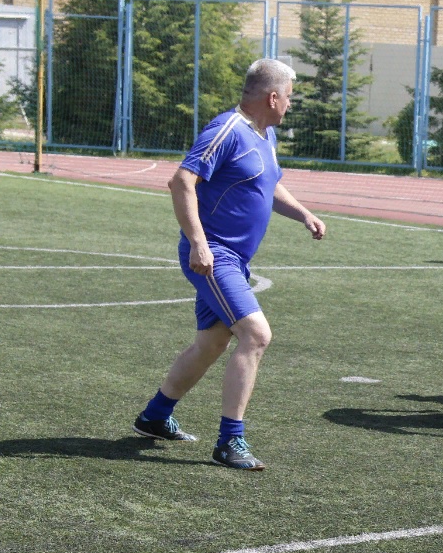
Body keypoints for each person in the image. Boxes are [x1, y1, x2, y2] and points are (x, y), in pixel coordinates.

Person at [132, 59, 328, 470]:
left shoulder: (265, 134)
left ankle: (155, 416)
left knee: (212, 343)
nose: (289, 105)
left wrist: (304, 214)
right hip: (214, 255)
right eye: (289, 97)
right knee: (256, 335)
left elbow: (268, 183)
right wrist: (198, 243)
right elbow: (181, 181)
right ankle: (229, 442)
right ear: (272, 97)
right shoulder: (227, 129)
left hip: (234, 260)